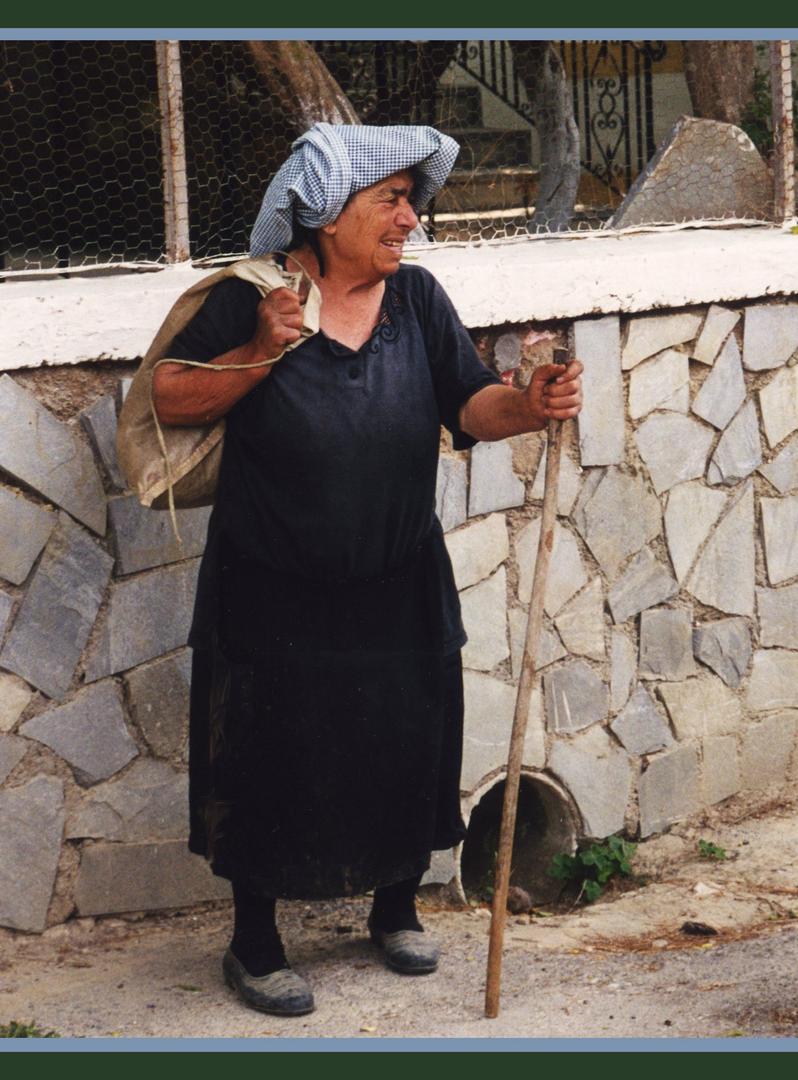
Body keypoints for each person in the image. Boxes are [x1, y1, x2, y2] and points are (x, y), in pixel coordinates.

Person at [153, 124, 583, 1016]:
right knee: (269, 751)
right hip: (271, 581)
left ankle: (392, 910)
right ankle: (255, 941)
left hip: (396, 573)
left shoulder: (417, 300)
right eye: (389, 199)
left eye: (410, 200)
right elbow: (167, 396)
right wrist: (261, 349)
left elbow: (473, 403)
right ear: (323, 211)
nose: (408, 218)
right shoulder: (252, 297)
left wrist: (531, 404)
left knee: (402, 739)